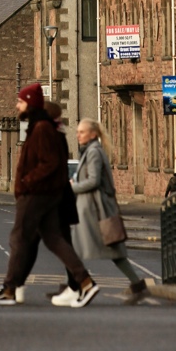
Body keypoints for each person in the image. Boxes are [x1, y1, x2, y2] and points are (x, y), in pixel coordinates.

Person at [0, 83, 97, 307]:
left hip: (36, 193)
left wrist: (26, 181)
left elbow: (50, 163)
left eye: (21, 102)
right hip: (44, 193)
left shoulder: (42, 128)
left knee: (19, 238)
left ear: (30, 103)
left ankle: (11, 290)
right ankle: (83, 281)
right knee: (51, 238)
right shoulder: (40, 126)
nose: (17, 106)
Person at [66, 117, 148, 305]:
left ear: (93, 134)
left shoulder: (94, 152)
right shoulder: (90, 150)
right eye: (77, 131)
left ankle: (73, 288)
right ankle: (137, 286)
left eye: (82, 132)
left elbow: (94, 181)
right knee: (96, 250)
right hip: (92, 208)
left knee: (77, 250)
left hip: (95, 210)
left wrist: (72, 187)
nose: (78, 135)